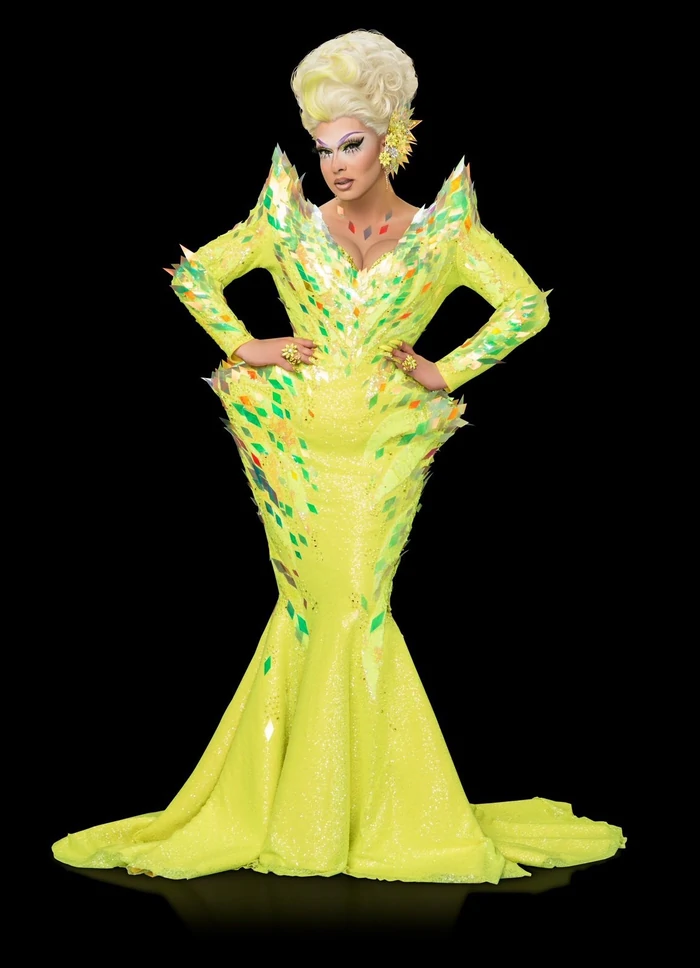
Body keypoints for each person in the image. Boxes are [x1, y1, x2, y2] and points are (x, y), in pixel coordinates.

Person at [52, 29, 625, 883]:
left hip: (382, 455)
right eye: (322, 149)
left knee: (359, 605)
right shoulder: (287, 222)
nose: (333, 165)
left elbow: (524, 308)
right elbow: (196, 276)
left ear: (391, 139)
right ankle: (301, 808)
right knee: (313, 610)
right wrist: (244, 345)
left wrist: (446, 370)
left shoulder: (441, 233)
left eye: (349, 145)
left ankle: (348, 813)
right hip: (296, 453)